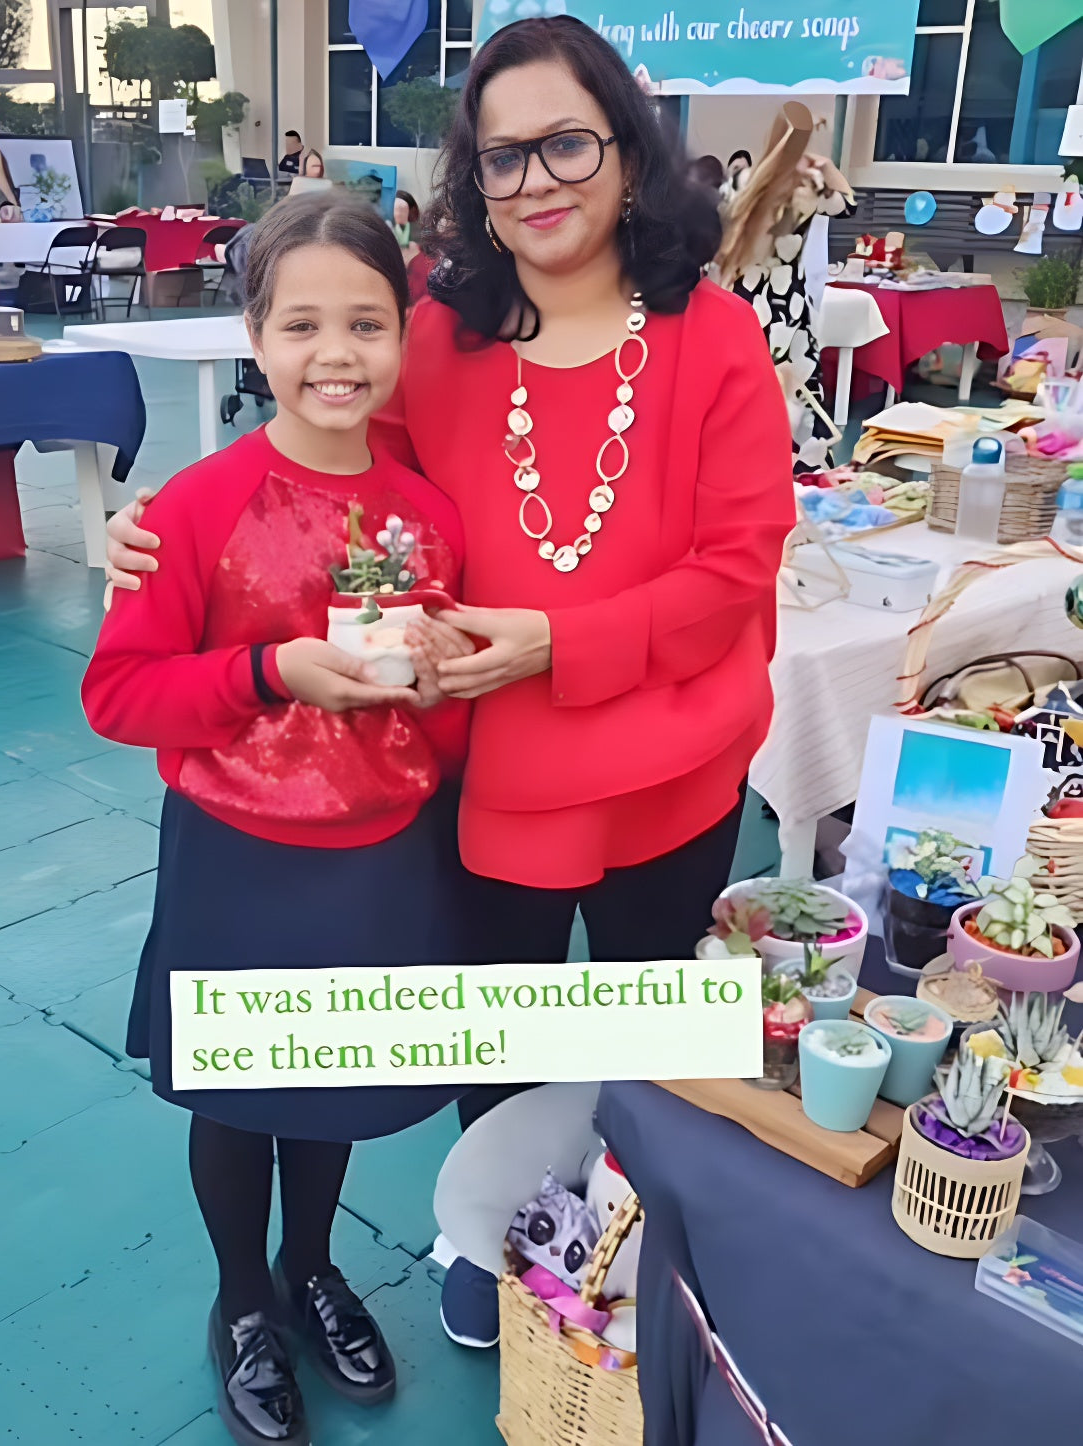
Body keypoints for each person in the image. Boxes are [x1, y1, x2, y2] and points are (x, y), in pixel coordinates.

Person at [104, 14, 794, 1348]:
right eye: (500, 158)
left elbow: (738, 563)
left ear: (633, 155)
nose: (535, 180)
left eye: (566, 145)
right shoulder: (442, 338)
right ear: (471, 183)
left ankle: (634, 1242)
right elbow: (332, 473)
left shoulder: (710, 337)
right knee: (500, 1035)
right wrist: (168, 529)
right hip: (483, 785)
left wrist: (561, 643)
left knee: (647, 1031)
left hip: (671, 769)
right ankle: (498, 1237)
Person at [81, 193, 490, 1446]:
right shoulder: (193, 512)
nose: (335, 353)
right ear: (254, 336)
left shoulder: (430, 518)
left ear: (405, 334)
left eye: (366, 323)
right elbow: (118, 694)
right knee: (242, 1096)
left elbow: (447, 718)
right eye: (302, 322)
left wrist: (436, 688)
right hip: (239, 855)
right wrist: (268, 672)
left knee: (337, 1087)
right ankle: (244, 1299)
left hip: (379, 854)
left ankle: (312, 1268)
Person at [715, 102, 854, 474]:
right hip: (789, 304)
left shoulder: (742, 183)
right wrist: (824, 166)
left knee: (741, 390)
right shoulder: (809, 185)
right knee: (798, 388)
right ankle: (801, 468)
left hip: (743, 298)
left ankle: (739, 466)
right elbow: (847, 204)